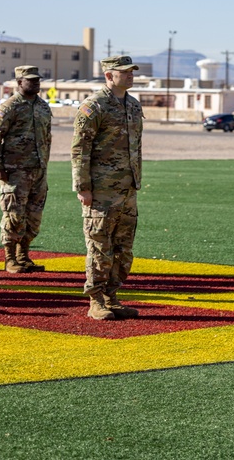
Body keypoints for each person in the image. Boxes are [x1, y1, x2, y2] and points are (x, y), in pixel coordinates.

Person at [71, 55, 143, 321]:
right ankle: (96, 300)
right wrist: (83, 187)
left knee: (123, 248)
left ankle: (112, 297)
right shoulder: (94, 106)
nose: (130, 75)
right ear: (108, 76)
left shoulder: (133, 106)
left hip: (127, 190)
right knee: (99, 245)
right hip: (100, 191)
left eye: (132, 71)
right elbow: (80, 149)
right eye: (124, 72)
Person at [0, 65, 52, 274]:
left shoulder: (43, 106)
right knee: (13, 214)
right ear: (19, 82)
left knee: (34, 216)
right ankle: (10, 259)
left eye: (37, 80)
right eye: (31, 80)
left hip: (38, 171)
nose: (36, 83)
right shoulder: (10, 107)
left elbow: (47, 137)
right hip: (15, 171)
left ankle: (24, 256)